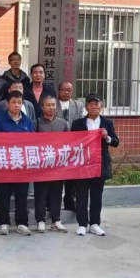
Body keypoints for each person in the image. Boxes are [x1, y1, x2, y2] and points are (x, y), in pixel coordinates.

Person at [71, 94, 119, 237]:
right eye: (91, 104)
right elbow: (71, 142)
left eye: (96, 104)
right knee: (81, 195)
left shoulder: (107, 123)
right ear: (86, 107)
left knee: (96, 196)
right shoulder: (78, 123)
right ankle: (82, 224)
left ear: (101, 107)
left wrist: (107, 137)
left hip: (99, 164)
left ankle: (94, 224)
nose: (94, 107)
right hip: (82, 164)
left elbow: (116, 142)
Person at [0, 90, 34, 236]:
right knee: (4, 195)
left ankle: (22, 223)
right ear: (7, 104)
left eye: (19, 103)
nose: (17, 105)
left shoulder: (27, 121)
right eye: (14, 102)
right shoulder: (0, 120)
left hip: (22, 164)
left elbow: (33, 141)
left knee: (21, 196)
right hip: (5, 163)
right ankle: (3, 223)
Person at [33, 95, 69, 233]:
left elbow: (69, 142)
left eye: (53, 105)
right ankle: (40, 220)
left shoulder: (62, 123)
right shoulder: (36, 123)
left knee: (56, 194)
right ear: (42, 107)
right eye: (48, 105)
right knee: (40, 195)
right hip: (41, 165)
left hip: (57, 165)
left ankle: (56, 220)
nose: (51, 108)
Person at [56, 81, 85, 211]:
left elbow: (81, 122)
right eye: (64, 90)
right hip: (57, 146)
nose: (66, 92)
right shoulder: (53, 104)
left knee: (71, 176)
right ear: (59, 91)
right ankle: (54, 204)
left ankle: (70, 202)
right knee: (57, 176)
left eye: (69, 90)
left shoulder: (78, 105)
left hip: (73, 145)